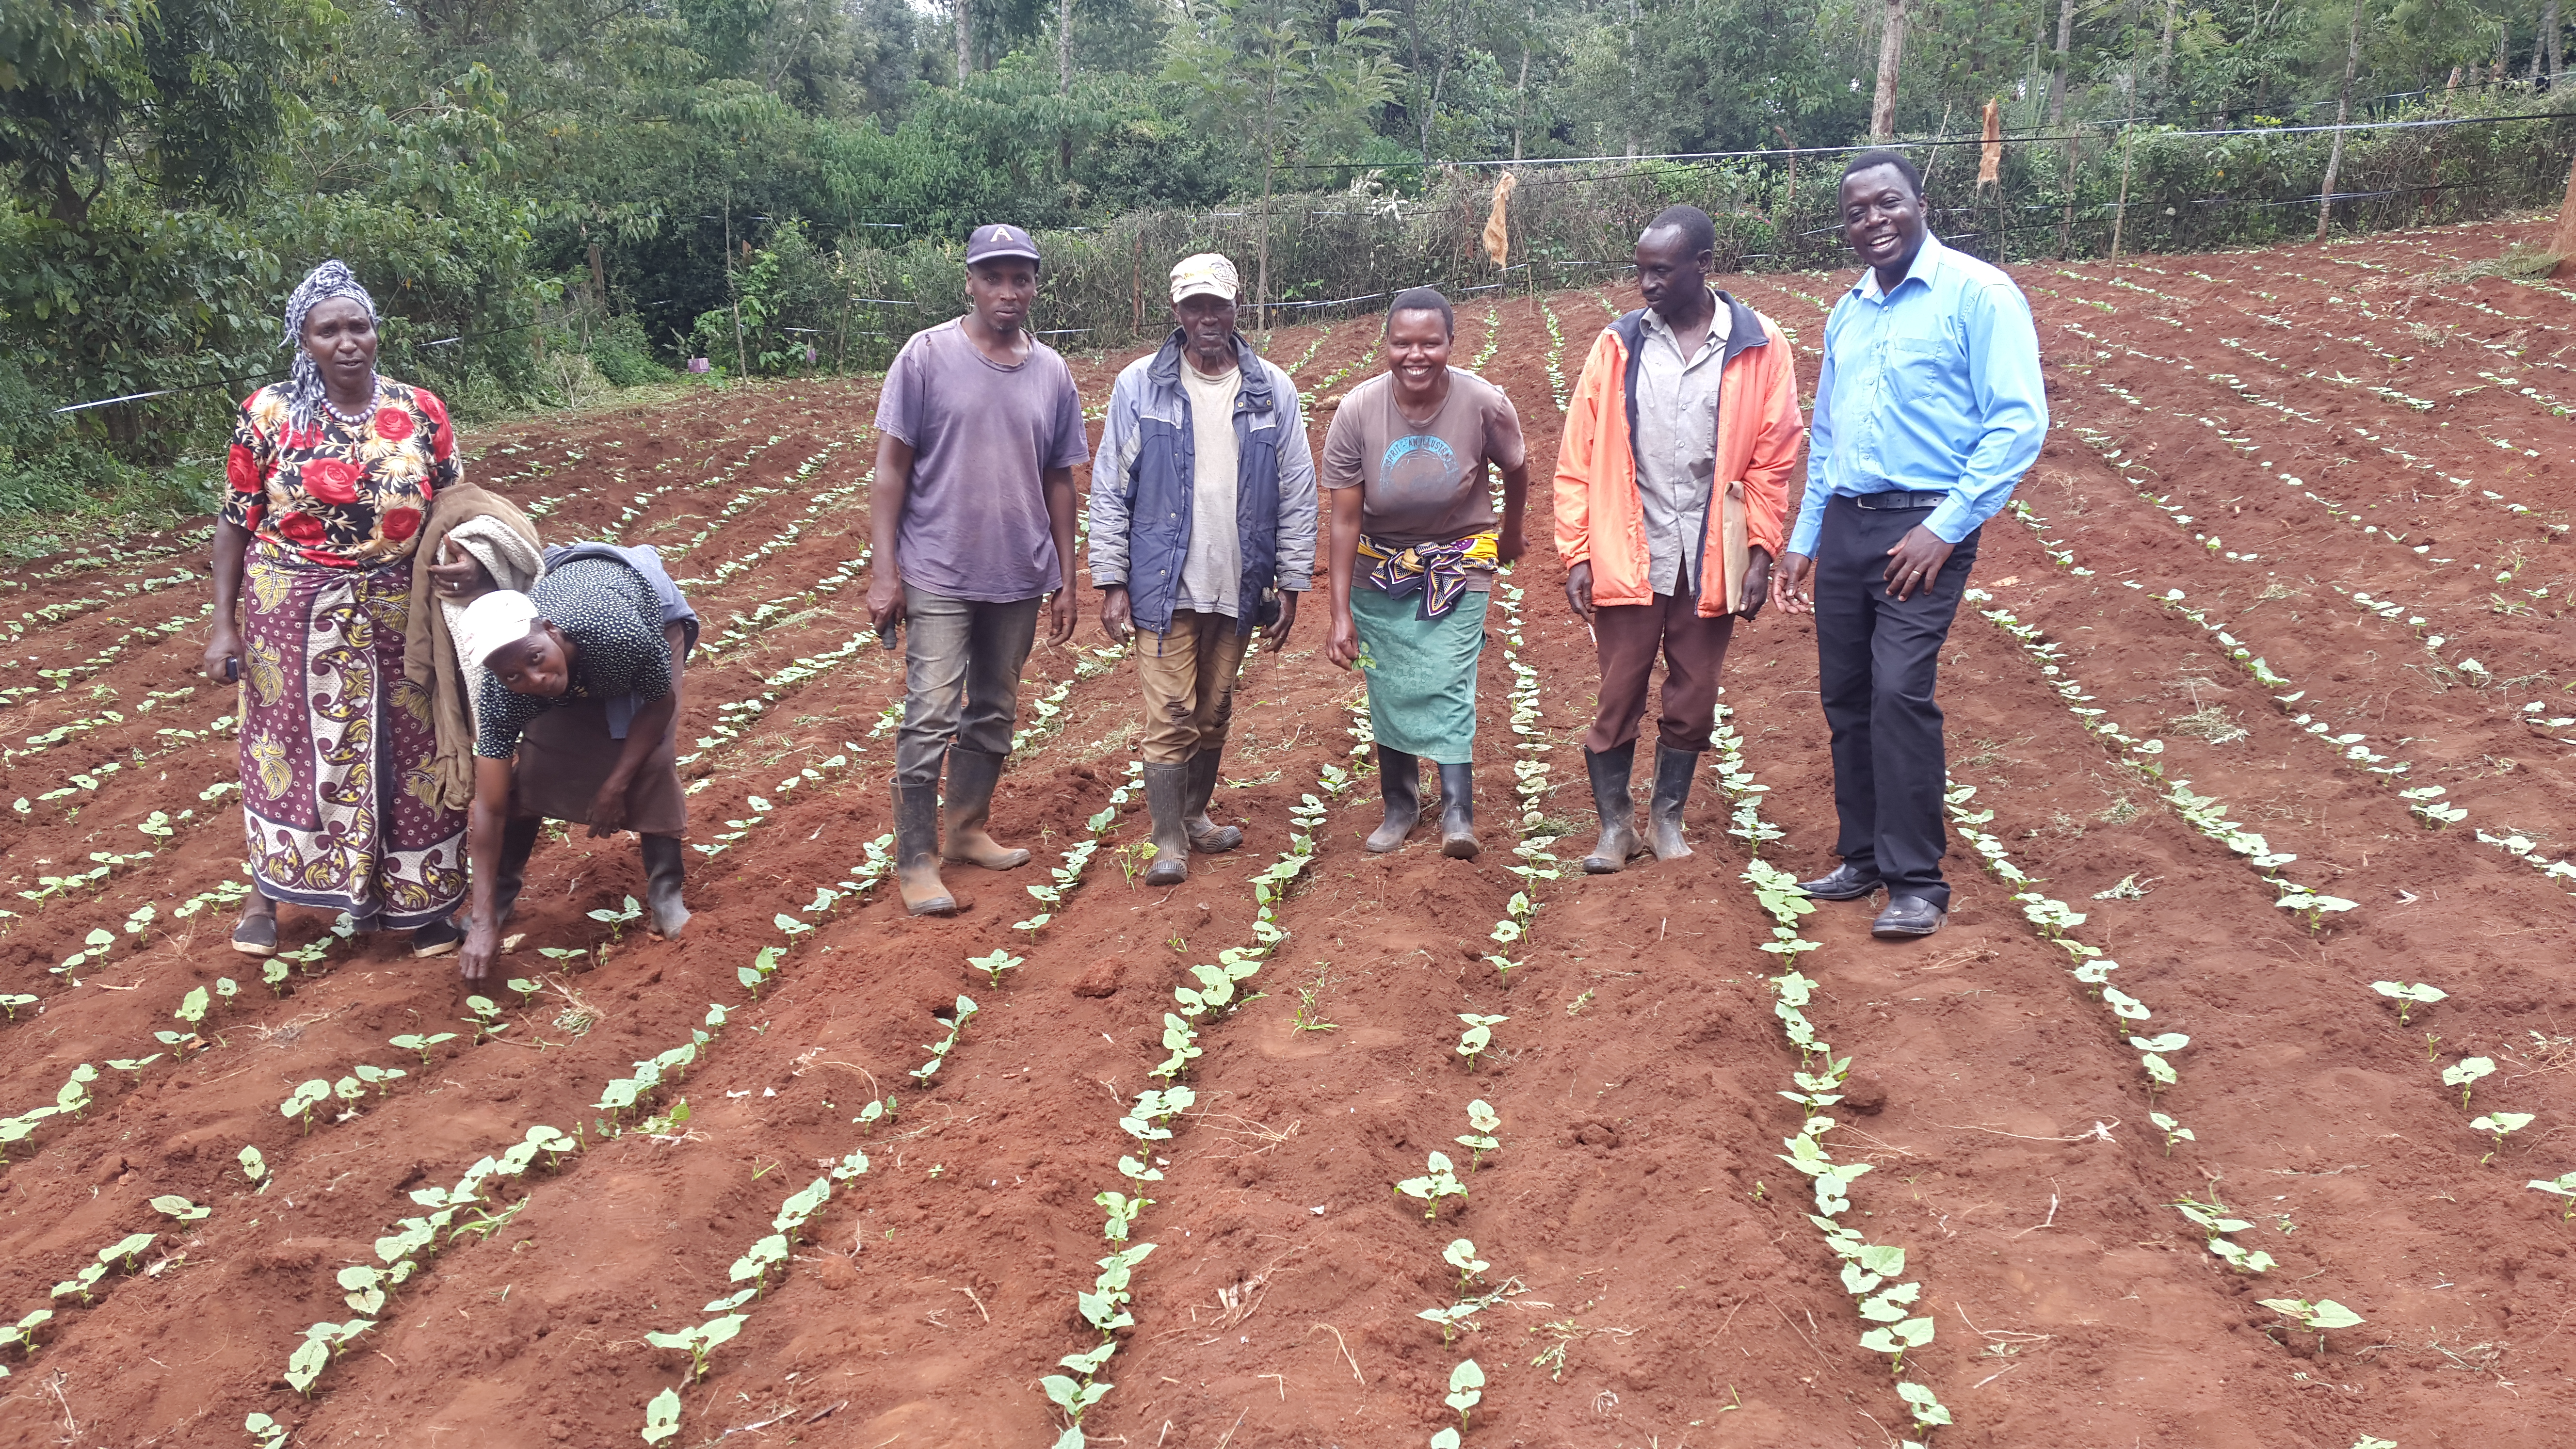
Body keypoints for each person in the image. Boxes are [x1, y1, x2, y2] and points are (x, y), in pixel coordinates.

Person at [1770, 151, 2048, 940]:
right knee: (1846, 695)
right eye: (1856, 212)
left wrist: (1943, 526)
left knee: (1898, 693)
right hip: (1850, 520)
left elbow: (2016, 422)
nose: (1873, 221)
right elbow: (1825, 438)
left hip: (1925, 525)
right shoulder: (1848, 311)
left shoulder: (1977, 293)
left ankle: (1916, 879)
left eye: (1887, 203)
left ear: (1920, 203)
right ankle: (1860, 856)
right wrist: (1804, 538)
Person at [204, 260, 469, 959]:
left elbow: (454, 505)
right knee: (288, 747)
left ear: (377, 333)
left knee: (410, 746)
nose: (347, 342)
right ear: (305, 340)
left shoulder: (420, 410)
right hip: (290, 608)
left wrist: (471, 570)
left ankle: (422, 905)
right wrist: (222, 625)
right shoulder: (269, 414)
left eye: (360, 326)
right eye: (329, 330)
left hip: (400, 606)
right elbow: (235, 522)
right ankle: (269, 894)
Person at [1554, 205, 1806, 874]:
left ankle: (1667, 819)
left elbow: (1772, 460)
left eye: (1661, 271)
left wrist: (1760, 551)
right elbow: (1577, 458)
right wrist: (1576, 552)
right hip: (1629, 550)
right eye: (1640, 271)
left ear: (1703, 266)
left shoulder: (1759, 346)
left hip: (1711, 556)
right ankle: (1615, 828)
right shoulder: (1618, 346)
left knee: (1694, 695)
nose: (1646, 285)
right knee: (1619, 694)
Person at [867, 224, 1088, 916]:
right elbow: (889, 470)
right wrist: (884, 571)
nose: (1008, 291)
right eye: (993, 276)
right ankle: (916, 860)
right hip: (938, 567)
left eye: (1020, 278)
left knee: (993, 708)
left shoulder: (1051, 371)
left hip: (1018, 571)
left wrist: (1067, 574)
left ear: (1034, 286)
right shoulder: (926, 356)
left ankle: (964, 829)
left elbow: (1060, 479)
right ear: (969, 281)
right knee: (931, 712)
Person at [1092, 254, 1317, 885]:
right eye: (1195, 306)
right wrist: (1111, 581)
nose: (1208, 318)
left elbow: (1298, 490)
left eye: (1218, 305)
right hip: (1165, 584)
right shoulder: (1141, 386)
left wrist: (1292, 582)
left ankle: (1192, 816)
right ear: (1177, 312)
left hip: (1239, 583)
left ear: (1237, 307)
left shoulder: (1273, 390)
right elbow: (1111, 487)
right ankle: (1168, 841)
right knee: (1169, 712)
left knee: (1214, 710)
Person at [1321, 287, 1530, 860]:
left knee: (1446, 676)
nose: (1415, 355)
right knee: (1388, 682)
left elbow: (1516, 468)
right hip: (1380, 566)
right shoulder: (1357, 412)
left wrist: (1510, 534)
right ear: (1385, 345)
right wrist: (1339, 612)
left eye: (1430, 343)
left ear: (1450, 345)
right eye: (1402, 343)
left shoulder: (1482, 402)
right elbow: (1343, 520)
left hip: (1460, 558)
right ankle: (1401, 805)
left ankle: (1457, 811)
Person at [451, 545, 700, 984]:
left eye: (536, 659)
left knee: (652, 761)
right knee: (531, 769)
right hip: (576, 626)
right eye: (514, 676)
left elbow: (659, 705)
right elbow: (489, 806)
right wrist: (483, 917)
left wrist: (614, 787)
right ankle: (499, 899)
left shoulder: (621, 637)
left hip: (642, 607)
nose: (536, 680)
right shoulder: (501, 692)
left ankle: (666, 894)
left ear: (549, 629)